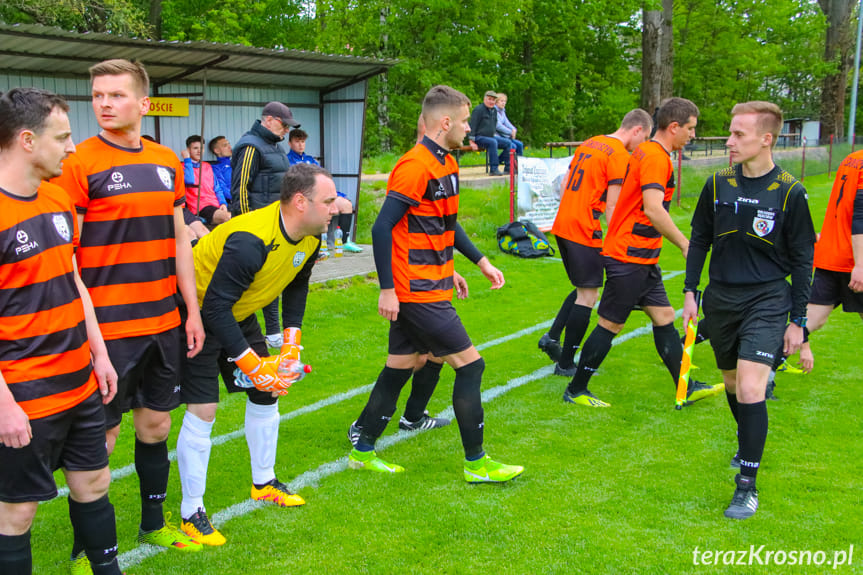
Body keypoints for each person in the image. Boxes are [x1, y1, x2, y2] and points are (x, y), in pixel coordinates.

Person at [52, 59, 205, 557]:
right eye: (97, 95)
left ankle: (153, 523)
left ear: (142, 104)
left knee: (156, 425)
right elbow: (65, 255)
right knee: (102, 439)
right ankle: (84, 551)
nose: (103, 104)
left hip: (163, 321)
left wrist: (192, 309)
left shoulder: (167, 160)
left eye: (115, 95)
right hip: (108, 329)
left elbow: (181, 238)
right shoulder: (78, 163)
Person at [347, 85, 523, 483]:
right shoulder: (414, 166)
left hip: (435, 282)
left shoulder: (447, 163)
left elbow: (444, 224)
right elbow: (381, 229)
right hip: (416, 290)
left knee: (402, 365)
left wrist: (477, 262)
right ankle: (477, 464)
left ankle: (362, 449)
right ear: (445, 123)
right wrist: (387, 289)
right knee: (471, 366)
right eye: (463, 121)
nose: (469, 128)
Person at [176, 163, 337, 544]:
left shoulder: (312, 236)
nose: (337, 207)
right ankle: (191, 512)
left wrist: (290, 345)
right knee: (204, 409)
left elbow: (296, 286)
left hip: (236, 309)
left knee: (267, 391)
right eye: (329, 201)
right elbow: (214, 307)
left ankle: (264, 483)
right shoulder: (251, 239)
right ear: (301, 202)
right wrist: (252, 363)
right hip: (195, 312)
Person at [0, 88, 121, 575]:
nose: (73, 147)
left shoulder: (57, 198)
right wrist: (4, 404)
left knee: (94, 484)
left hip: (79, 381)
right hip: (24, 393)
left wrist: (101, 353)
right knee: (17, 511)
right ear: (27, 140)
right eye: (63, 137)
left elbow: (73, 280)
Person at [683, 101, 815, 519]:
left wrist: (799, 322)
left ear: (766, 139)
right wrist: (691, 291)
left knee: (754, 387)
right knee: (733, 386)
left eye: (739, 134)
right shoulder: (717, 184)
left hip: (768, 299)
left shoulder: (791, 191)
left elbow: (802, 260)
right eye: (730, 133)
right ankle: (748, 445)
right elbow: (700, 238)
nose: (729, 141)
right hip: (721, 298)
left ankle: (746, 486)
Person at [562, 97, 722, 408]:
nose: (693, 136)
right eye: (690, 129)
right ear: (673, 127)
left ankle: (685, 386)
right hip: (627, 256)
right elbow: (653, 209)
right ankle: (576, 389)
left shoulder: (654, 153)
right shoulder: (654, 157)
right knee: (610, 324)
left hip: (643, 256)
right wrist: (685, 243)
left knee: (663, 316)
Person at [538, 109, 653, 381]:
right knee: (588, 296)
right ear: (637, 130)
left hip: (564, 222)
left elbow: (565, 183)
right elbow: (613, 203)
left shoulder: (590, 142)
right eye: (644, 138)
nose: (642, 145)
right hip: (584, 226)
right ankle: (565, 362)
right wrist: (618, 236)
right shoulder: (619, 155)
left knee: (583, 288)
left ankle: (552, 338)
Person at [232, 101, 300, 349]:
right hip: (257, 226)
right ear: (269, 120)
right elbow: (240, 189)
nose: (286, 131)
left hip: (276, 222)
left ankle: (271, 331)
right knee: (257, 280)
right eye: (284, 125)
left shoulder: (275, 146)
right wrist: (247, 227)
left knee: (273, 277)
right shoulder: (250, 146)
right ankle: (263, 331)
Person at [798, 148, 863, 370]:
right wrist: (861, 265)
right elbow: (860, 218)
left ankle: (764, 377)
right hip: (852, 258)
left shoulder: (853, 159)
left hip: (831, 253)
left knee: (811, 320)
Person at [287, 128, 362, 253]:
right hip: (304, 198)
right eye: (297, 141)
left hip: (320, 196)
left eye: (303, 142)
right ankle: (317, 246)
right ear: (290, 143)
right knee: (318, 208)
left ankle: (344, 242)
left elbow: (324, 178)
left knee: (346, 204)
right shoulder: (287, 161)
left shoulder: (311, 160)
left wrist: (335, 195)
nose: (301, 145)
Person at [182, 135, 231, 226]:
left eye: (201, 148)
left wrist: (223, 203)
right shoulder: (184, 167)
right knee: (228, 218)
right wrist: (187, 159)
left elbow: (217, 189)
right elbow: (189, 180)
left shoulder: (207, 166)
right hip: (200, 207)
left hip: (216, 205)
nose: (199, 151)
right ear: (188, 150)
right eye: (195, 148)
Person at [468, 90, 512, 176]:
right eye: (489, 99)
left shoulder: (494, 111)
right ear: (485, 99)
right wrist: (471, 141)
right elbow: (472, 126)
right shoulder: (478, 110)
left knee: (508, 143)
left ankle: (508, 168)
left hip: (490, 137)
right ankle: (494, 169)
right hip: (479, 137)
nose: (491, 102)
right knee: (493, 142)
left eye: (493, 100)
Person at [494, 93, 524, 162]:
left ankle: (519, 165)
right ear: (496, 102)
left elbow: (507, 123)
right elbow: (498, 126)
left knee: (520, 144)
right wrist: (510, 132)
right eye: (501, 101)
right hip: (496, 136)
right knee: (513, 146)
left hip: (504, 136)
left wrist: (514, 129)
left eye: (505, 101)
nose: (503, 103)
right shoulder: (494, 111)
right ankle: (499, 161)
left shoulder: (502, 111)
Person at [208, 135, 232, 204]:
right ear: (217, 150)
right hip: (234, 202)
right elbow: (222, 189)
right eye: (225, 145)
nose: (230, 147)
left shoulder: (237, 163)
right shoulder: (216, 168)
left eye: (229, 144)